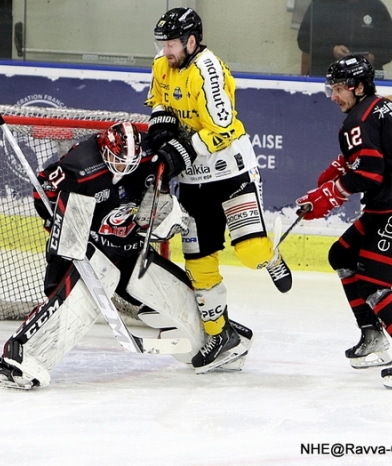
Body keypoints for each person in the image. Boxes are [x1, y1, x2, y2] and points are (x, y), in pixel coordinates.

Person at [0, 122, 253, 389]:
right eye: (117, 162)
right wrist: (58, 218)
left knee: (172, 290)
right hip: (89, 250)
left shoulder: (151, 151)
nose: (124, 168)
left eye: (131, 163)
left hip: (129, 247)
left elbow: (188, 146)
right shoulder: (80, 166)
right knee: (75, 304)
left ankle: (222, 342)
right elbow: (42, 192)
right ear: (105, 152)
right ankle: (19, 362)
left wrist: (170, 175)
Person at [144, 7, 291, 373]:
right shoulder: (162, 64)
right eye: (163, 43)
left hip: (231, 172)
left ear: (192, 41)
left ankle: (270, 256)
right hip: (193, 181)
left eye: (172, 43)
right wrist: (161, 124)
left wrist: (183, 148)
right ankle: (221, 336)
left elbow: (223, 129)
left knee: (250, 252)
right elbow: (159, 98)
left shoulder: (208, 71)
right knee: (198, 263)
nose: (166, 50)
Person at [295, 54, 392, 389]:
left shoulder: (357, 121)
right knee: (342, 255)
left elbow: (369, 174)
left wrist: (330, 194)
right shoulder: (382, 105)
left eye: (339, 88)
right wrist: (343, 164)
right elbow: (379, 150)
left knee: (373, 284)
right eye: (332, 88)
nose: (333, 96)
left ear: (359, 86)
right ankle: (372, 335)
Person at [297, 0, 392, 77]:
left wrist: (373, 57)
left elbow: (391, 46)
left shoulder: (376, 7)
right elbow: (304, 40)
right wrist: (331, 50)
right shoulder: (320, 4)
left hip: (365, 79)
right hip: (325, 76)